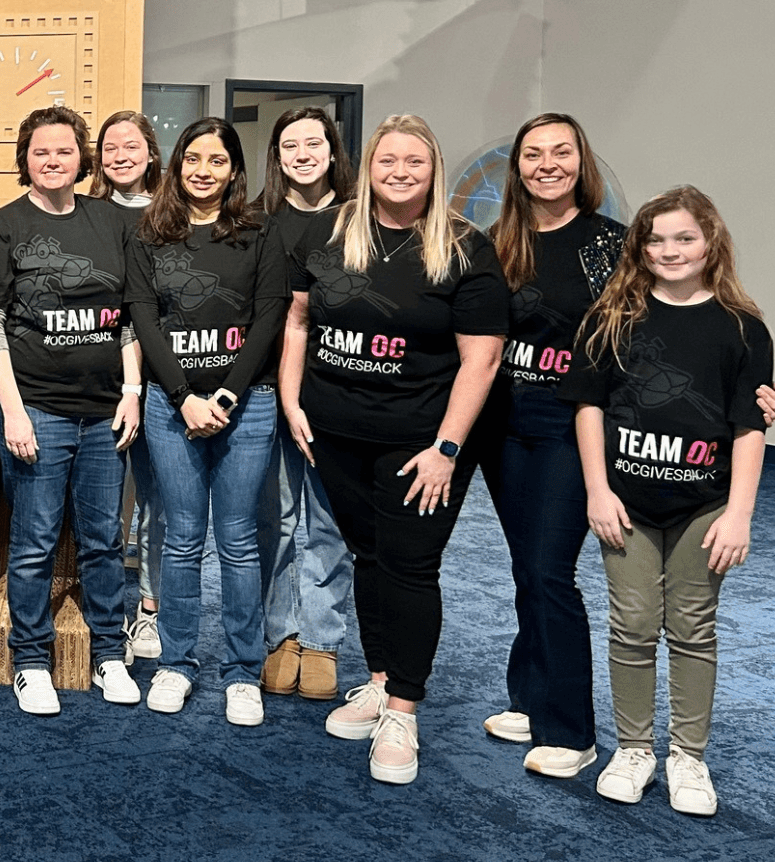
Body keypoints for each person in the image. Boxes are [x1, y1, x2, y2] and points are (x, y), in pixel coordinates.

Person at [476, 115, 775, 782]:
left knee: (550, 569)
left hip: (574, 429)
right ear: (518, 166)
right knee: (525, 569)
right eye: (533, 153)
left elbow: (675, 328)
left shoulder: (609, 244)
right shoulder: (497, 242)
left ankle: (571, 731)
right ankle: (531, 697)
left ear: (581, 161)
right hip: (504, 426)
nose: (547, 164)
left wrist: (752, 396)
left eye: (562, 151)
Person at [280, 112, 507, 785]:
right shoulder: (328, 232)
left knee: (410, 566)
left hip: (420, 445)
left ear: (433, 169)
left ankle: (404, 709)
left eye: (415, 161)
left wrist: (446, 447)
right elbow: (297, 321)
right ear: (369, 165)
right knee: (369, 555)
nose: (400, 172)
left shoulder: (465, 248)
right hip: (334, 433)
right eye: (388, 161)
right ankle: (380, 680)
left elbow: (483, 360)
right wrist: (293, 400)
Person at [560, 186, 773, 817]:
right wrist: (597, 490)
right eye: (655, 239)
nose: (669, 250)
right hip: (625, 502)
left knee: (691, 627)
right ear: (639, 246)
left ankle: (688, 756)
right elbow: (589, 406)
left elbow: (749, 428)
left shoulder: (742, 328)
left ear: (711, 242)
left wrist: (739, 513)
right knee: (630, 624)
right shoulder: (612, 317)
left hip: (704, 506)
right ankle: (634, 750)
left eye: (684, 238)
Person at [0, 105, 145, 716]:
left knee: (103, 540)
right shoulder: (2, 226)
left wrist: (132, 391)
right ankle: (30, 662)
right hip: (36, 410)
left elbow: (127, 316)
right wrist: (11, 410)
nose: (53, 160)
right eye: (41, 151)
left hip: (104, 413)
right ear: (25, 159)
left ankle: (109, 656)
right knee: (34, 543)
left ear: (83, 158)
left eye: (65, 151)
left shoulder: (110, 223)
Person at [128, 118, 287, 725]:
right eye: (192, 158)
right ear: (176, 165)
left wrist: (224, 396)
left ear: (233, 170)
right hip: (171, 408)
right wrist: (182, 396)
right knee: (182, 537)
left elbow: (268, 316)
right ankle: (177, 662)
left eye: (217, 160)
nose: (203, 170)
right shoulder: (150, 234)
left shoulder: (259, 232)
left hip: (247, 404)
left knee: (241, 542)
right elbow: (143, 316)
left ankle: (243, 672)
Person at [255, 106, 356, 702]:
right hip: (264, 389)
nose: (302, 154)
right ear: (278, 156)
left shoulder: (356, 222)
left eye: (313, 142)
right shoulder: (259, 222)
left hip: (335, 390)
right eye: (289, 144)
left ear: (331, 149)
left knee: (326, 520)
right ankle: (281, 635)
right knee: (277, 519)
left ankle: (321, 638)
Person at [88, 109, 165, 662]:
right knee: (109, 508)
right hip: (102, 381)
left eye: (130, 145)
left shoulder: (173, 213)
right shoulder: (86, 214)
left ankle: (149, 611)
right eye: (110, 147)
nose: (120, 155)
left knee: (159, 506)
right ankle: (110, 611)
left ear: (151, 152)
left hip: (165, 379)